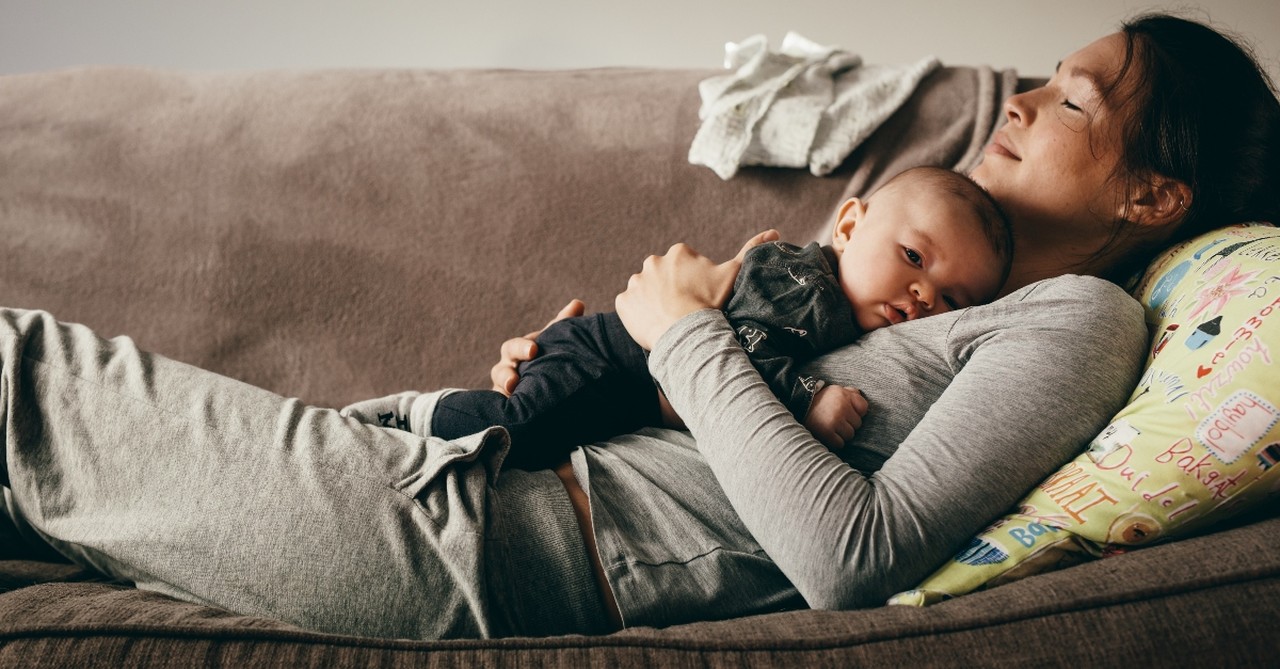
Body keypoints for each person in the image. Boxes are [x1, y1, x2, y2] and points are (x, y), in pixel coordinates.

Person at [1, 13, 1277, 641]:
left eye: (1071, 99)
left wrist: (677, 336)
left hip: (478, 545)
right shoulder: (934, 287)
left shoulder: (1077, 324)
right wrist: (587, 367)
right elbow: (718, 418)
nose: (1021, 98)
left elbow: (850, 556)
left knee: (18, 367)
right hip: (457, 473)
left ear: (1149, 196)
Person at [341, 166, 1012, 462]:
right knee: (522, 429)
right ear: (848, 222)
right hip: (612, 359)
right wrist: (809, 396)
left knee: (532, 450)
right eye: (914, 258)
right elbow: (743, 345)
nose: (925, 297)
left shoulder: (838, 309)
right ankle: (407, 417)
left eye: (954, 299)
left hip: (629, 382)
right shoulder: (809, 288)